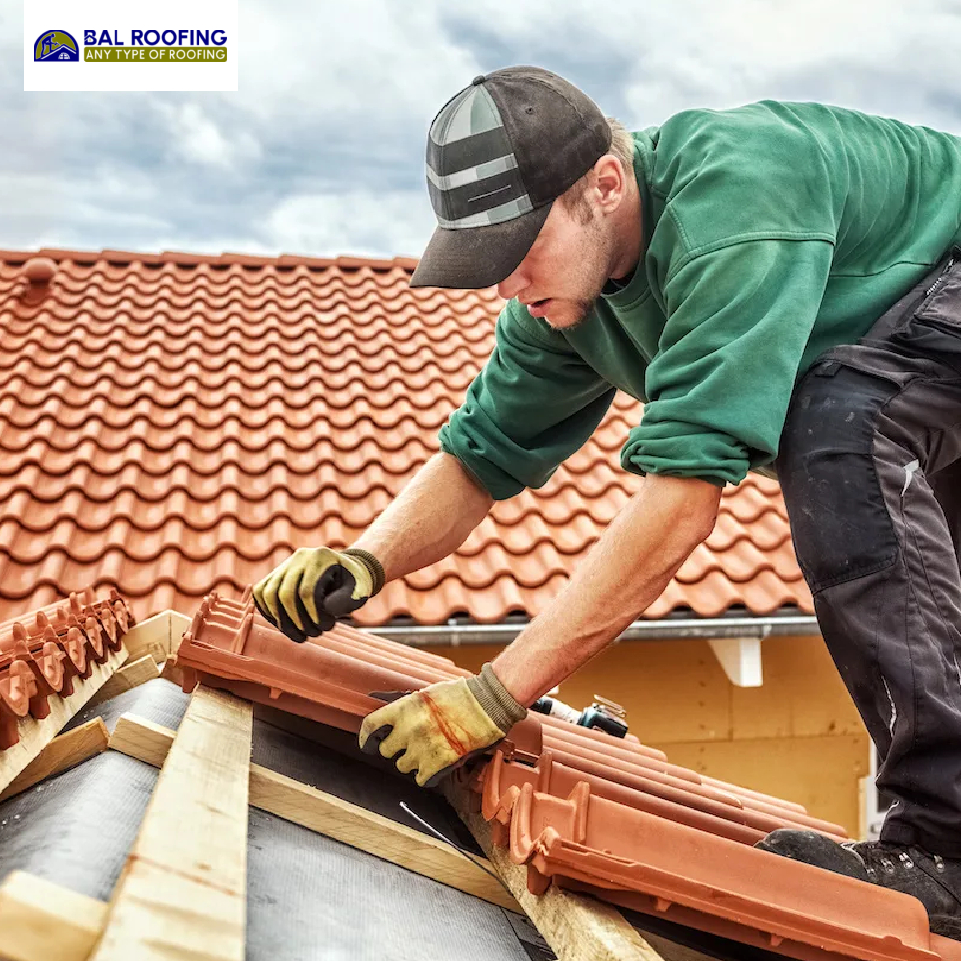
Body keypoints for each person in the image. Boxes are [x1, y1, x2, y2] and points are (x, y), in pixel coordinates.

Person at [253, 66, 961, 932]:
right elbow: (480, 455)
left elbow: (682, 499)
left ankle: (947, 847)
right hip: (926, 355)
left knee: (836, 428)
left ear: (606, 184)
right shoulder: (564, 304)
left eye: (520, 247)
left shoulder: (736, 198)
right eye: (489, 261)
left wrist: (496, 694)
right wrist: (365, 558)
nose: (506, 284)